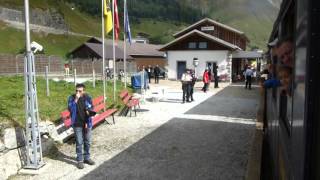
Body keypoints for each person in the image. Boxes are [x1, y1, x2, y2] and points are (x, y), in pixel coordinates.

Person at [68, 84, 95, 169]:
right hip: (77, 123)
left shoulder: (88, 97)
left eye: (80, 91)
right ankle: (80, 160)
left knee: (88, 141)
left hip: (87, 123)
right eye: (76, 91)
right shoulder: (72, 98)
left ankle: (86, 157)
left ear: (84, 91)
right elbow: (70, 109)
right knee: (79, 143)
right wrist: (76, 99)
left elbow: (92, 108)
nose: (78, 92)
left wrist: (89, 112)